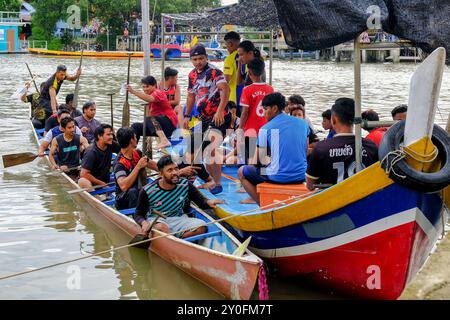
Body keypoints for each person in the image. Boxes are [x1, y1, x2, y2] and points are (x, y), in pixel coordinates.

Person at [238, 92, 310, 204]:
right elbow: (304, 152)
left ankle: (261, 203)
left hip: (278, 177)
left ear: (275, 108)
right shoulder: (303, 124)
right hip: (301, 175)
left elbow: (256, 161)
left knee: (242, 171)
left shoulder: (265, 129)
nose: (264, 114)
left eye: (265, 109)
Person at [134, 155, 224, 239]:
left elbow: (201, 201)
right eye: (169, 170)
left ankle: (176, 239)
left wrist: (209, 202)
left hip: (179, 218)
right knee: (161, 228)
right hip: (158, 221)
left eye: (176, 169)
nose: (175, 173)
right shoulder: (147, 190)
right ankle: (173, 240)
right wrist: (144, 223)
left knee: (202, 226)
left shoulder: (185, 184)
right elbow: (138, 214)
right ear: (161, 174)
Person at [184, 44, 231, 195]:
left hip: (219, 117)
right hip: (202, 117)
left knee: (211, 149)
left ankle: (217, 183)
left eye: (201, 58)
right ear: (191, 60)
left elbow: (225, 89)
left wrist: (219, 111)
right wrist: (186, 115)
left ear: (206, 58)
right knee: (191, 150)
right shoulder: (192, 75)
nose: (198, 62)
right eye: (195, 59)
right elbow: (191, 96)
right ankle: (208, 179)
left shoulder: (215, 72)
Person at [306, 98, 379, 190]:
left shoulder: (321, 148)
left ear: (333, 119)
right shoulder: (371, 146)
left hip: (331, 200)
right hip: (362, 197)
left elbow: (310, 185)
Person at [238, 58, 273, 164]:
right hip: (266, 130)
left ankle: (249, 177)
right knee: (264, 160)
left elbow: (244, 113)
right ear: (263, 72)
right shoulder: (270, 89)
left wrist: (240, 129)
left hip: (250, 131)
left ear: (249, 72)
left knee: (249, 160)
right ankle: (262, 179)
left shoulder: (247, 90)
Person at [114, 127, 158, 210]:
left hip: (139, 191)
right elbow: (123, 186)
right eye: (135, 137)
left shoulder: (137, 153)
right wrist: (138, 167)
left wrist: (168, 170)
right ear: (131, 141)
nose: (137, 138)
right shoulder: (119, 163)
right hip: (123, 199)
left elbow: (154, 166)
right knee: (132, 192)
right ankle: (137, 217)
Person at [129, 76, 177, 149]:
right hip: (159, 125)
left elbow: (150, 99)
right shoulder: (151, 96)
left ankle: (164, 140)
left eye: (147, 86)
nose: (145, 89)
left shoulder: (158, 92)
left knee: (148, 118)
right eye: (143, 87)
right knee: (136, 126)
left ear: (154, 85)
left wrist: (133, 92)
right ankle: (132, 149)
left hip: (169, 124)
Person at [78, 124, 121, 189]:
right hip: (92, 183)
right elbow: (84, 174)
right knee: (83, 181)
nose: (111, 137)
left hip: (105, 179)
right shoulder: (91, 152)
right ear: (99, 136)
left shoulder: (111, 144)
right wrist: (102, 184)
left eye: (112, 134)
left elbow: (123, 151)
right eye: (108, 135)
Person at [223, 31, 241, 107]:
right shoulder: (248, 55)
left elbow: (225, 80)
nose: (227, 48)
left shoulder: (230, 59)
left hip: (234, 99)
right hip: (249, 97)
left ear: (230, 44)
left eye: (226, 45)